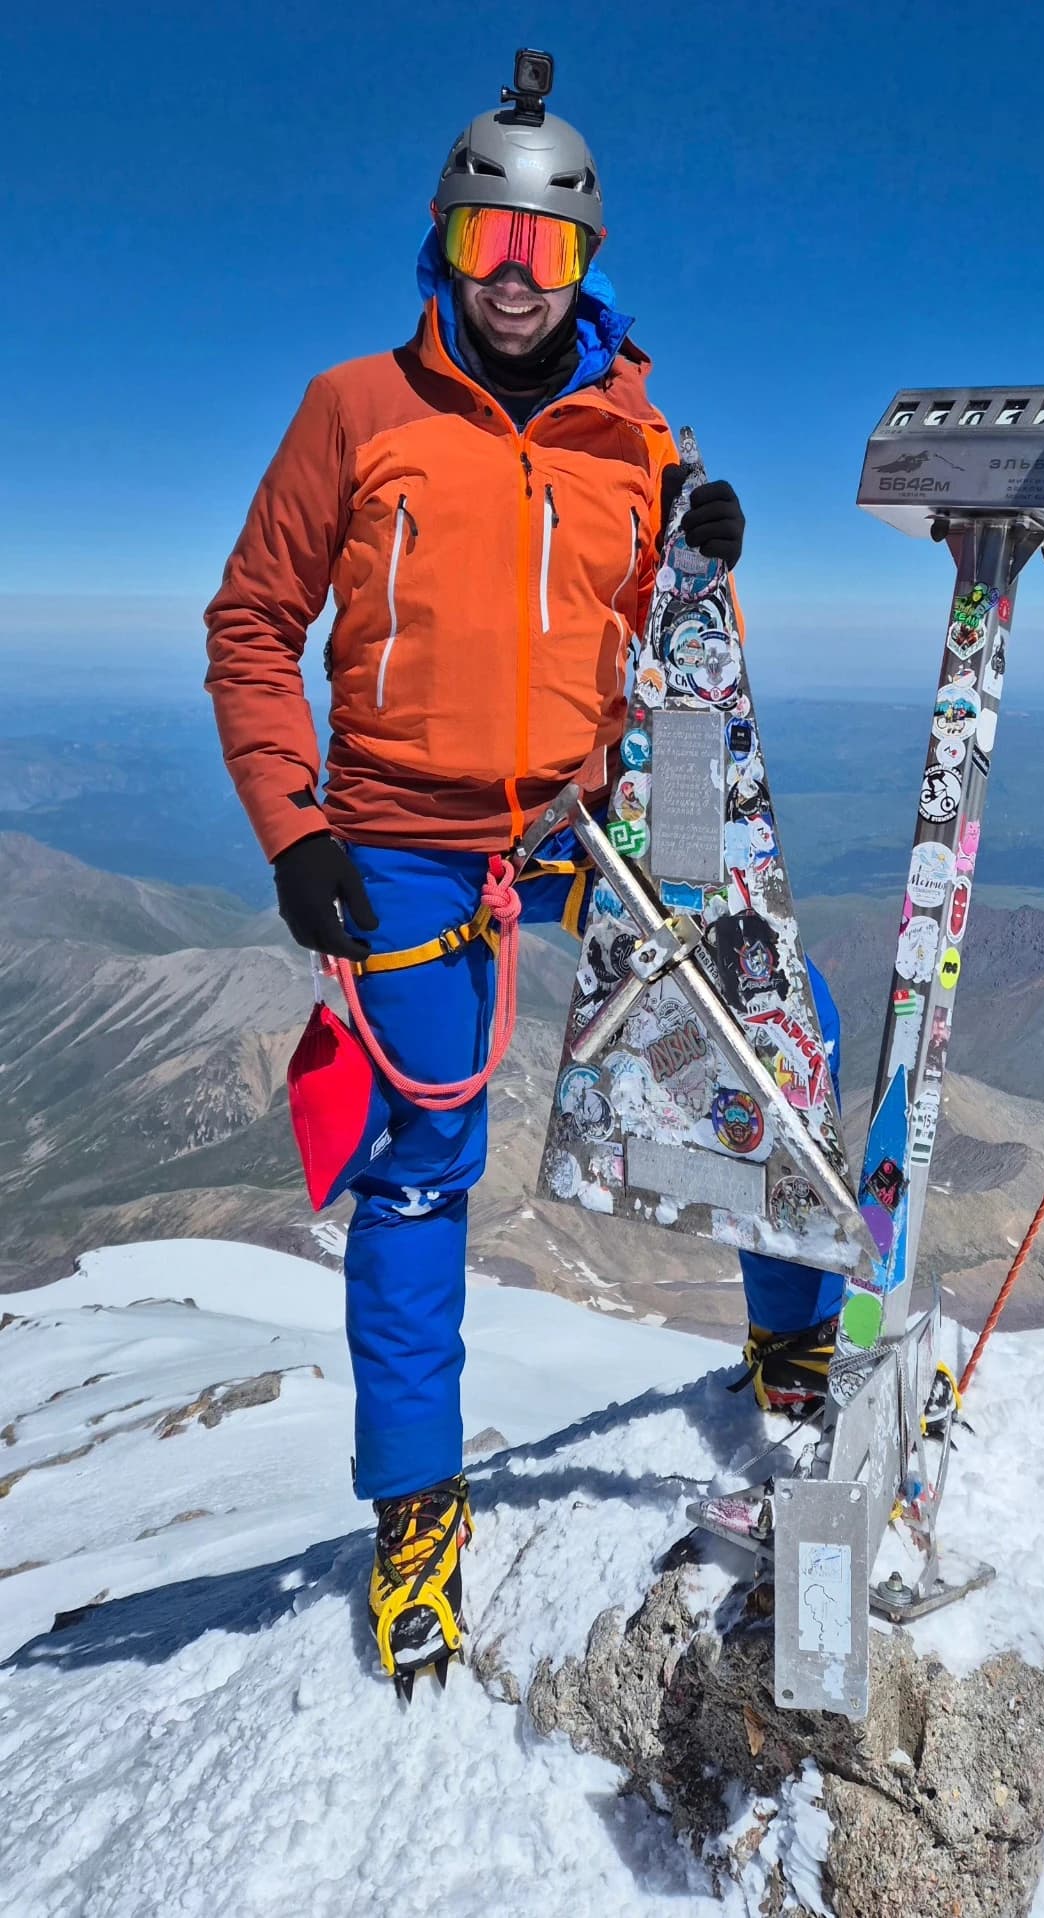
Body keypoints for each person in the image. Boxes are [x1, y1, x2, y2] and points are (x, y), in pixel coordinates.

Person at [204, 56, 842, 1690]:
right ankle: (415, 1507)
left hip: (580, 817)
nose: (509, 278)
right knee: (423, 1149)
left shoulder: (637, 436)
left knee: (768, 1026)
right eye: (487, 238)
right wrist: (298, 829)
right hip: (407, 830)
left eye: (544, 253)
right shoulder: (358, 410)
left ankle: (794, 1340)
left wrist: (706, 576)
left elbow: (689, 664)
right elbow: (254, 628)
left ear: (587, 264)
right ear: (441, 236)